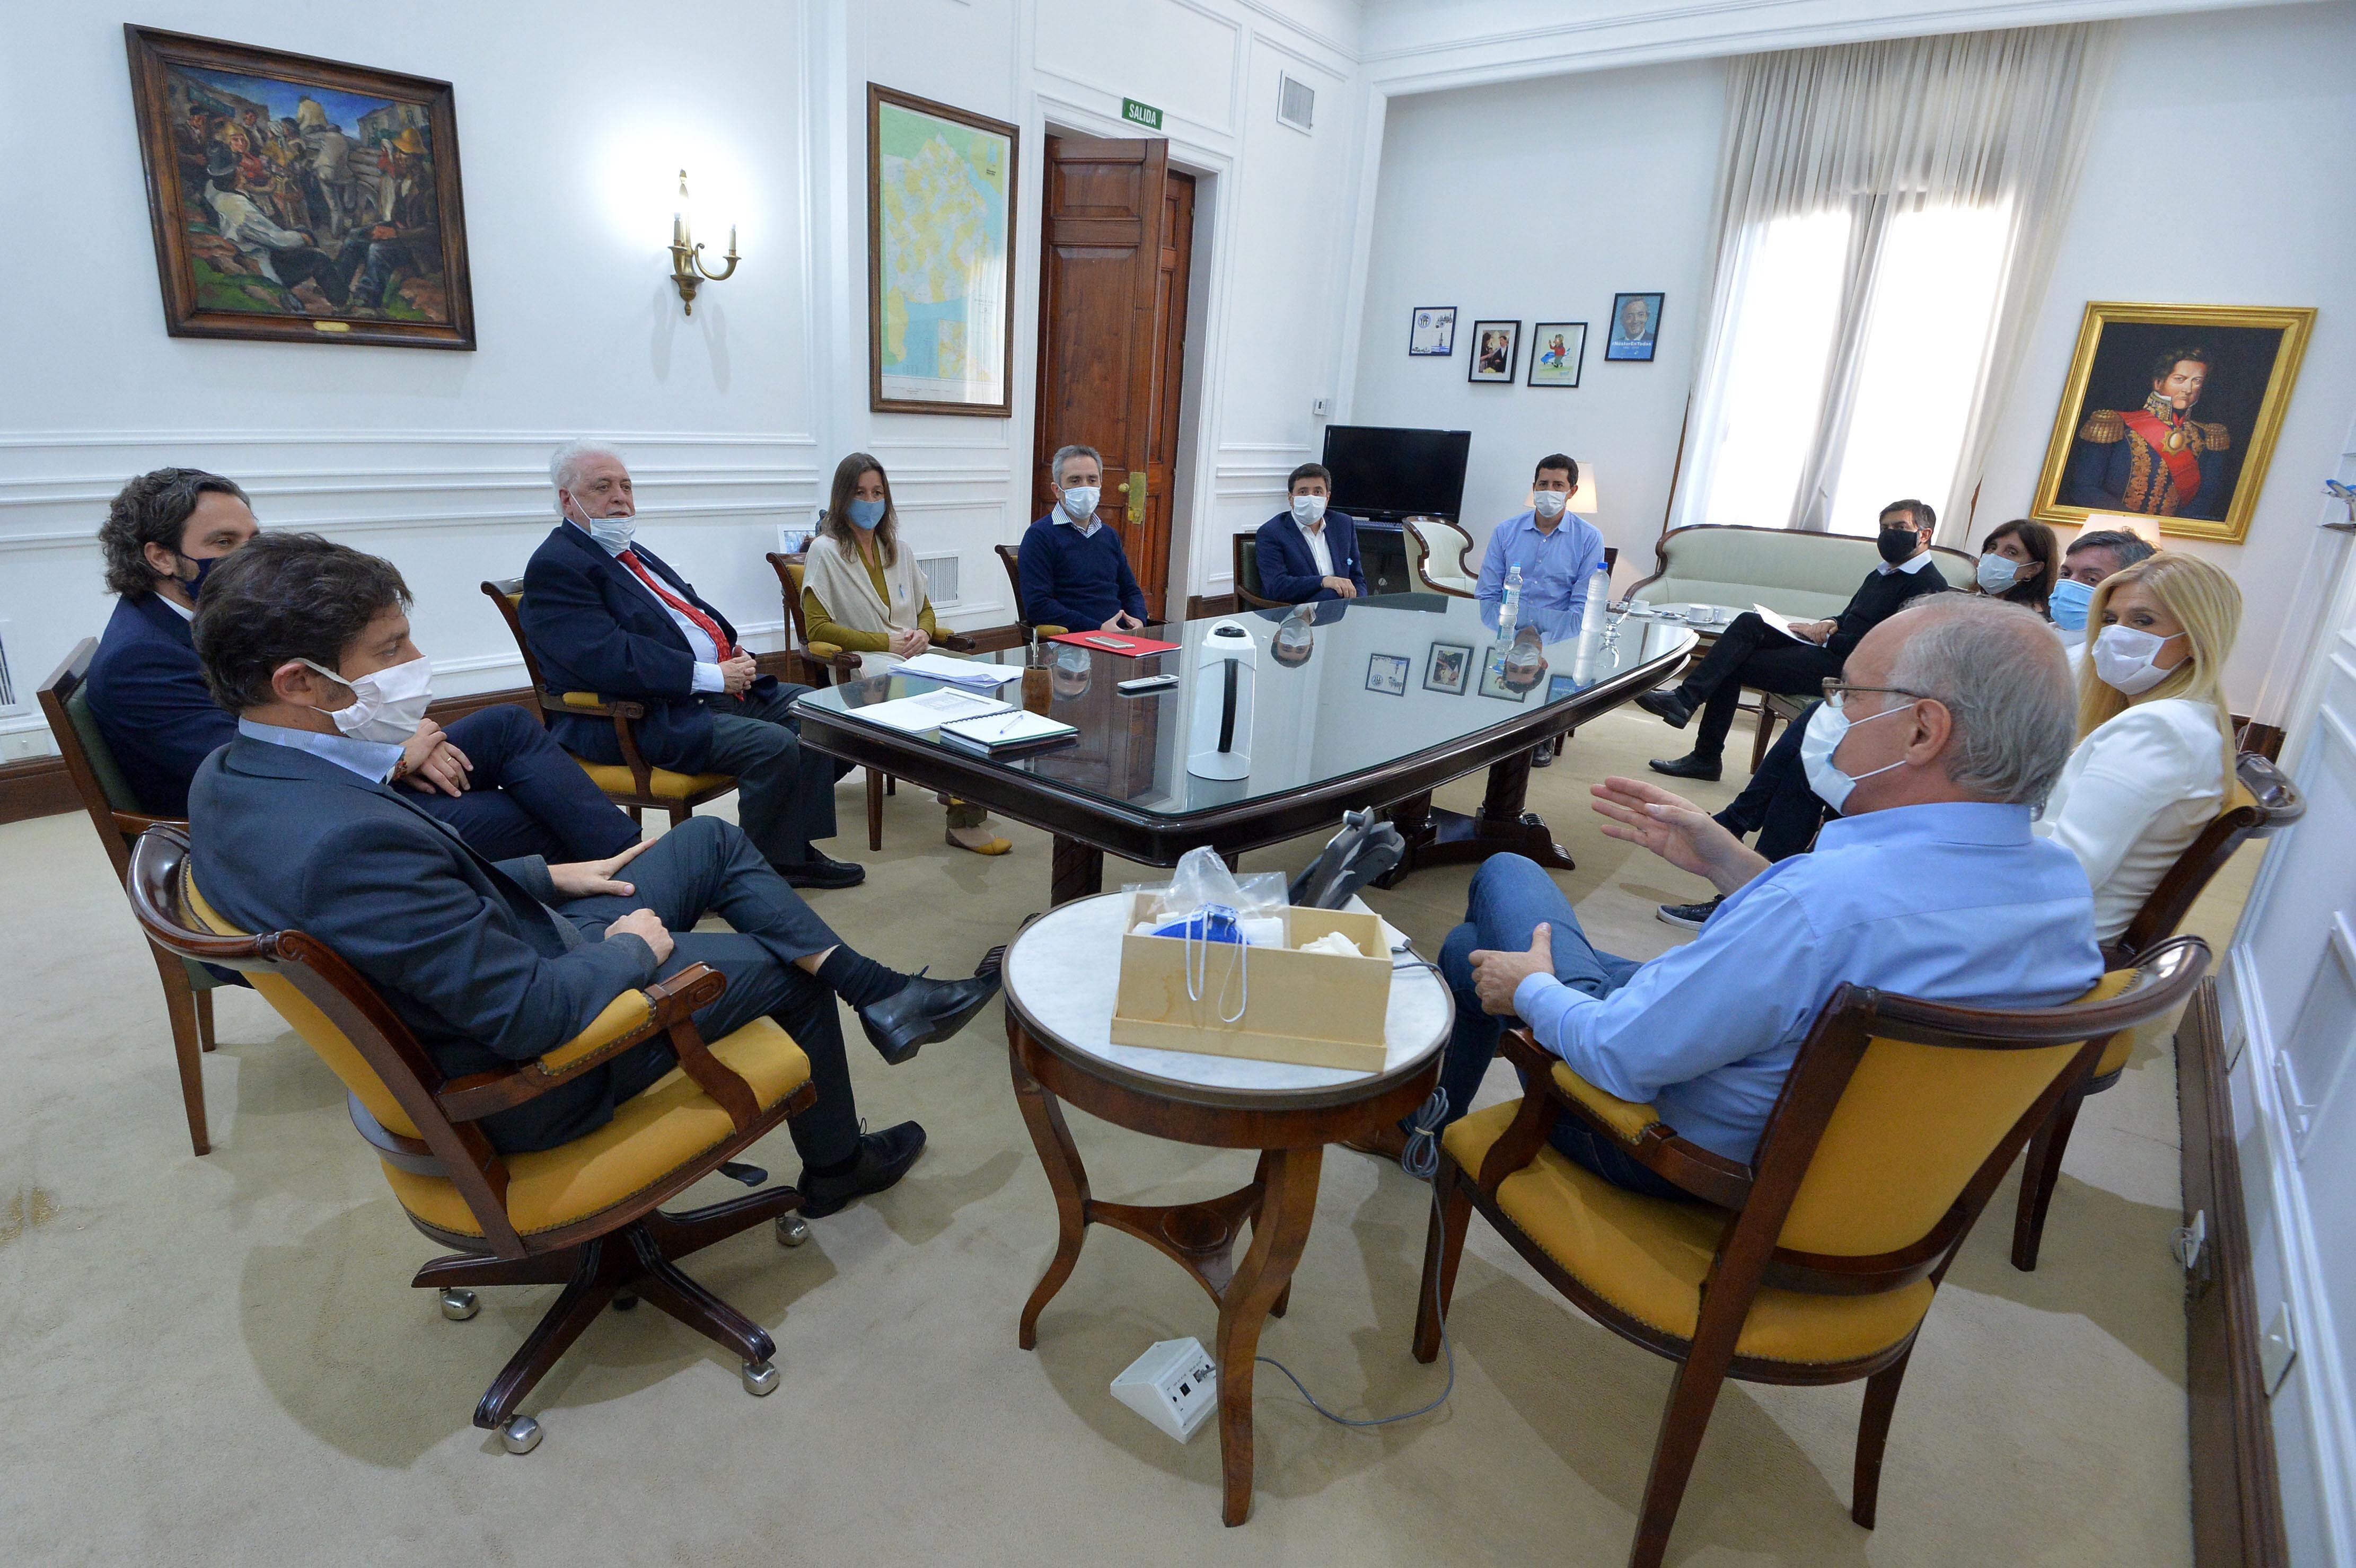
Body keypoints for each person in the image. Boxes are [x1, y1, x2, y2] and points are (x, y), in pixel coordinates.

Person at [184, 533, 1003, 1213]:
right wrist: (630, 951)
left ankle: (883, 993)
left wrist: (545, 878)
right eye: (391, 648)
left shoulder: (229, 773)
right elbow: (529, 1015)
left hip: (512, 946)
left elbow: (404, 914)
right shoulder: (343, 841)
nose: (419, 661)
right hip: (532, 1071)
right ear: (297, 682)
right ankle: (838, 1167)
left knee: (709, 845)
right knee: (781, 972)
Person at [1395, 596, 2101, 1190]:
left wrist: (1532, 991)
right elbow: (1852, 940)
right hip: (1846, 1175)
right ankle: (1425, 1123)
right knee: (1471, 948)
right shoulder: (2061, 886)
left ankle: (1423, 1124)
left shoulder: (1822, 901)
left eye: (1849, 693)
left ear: (1922, 730)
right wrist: (1731, 864)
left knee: (1506, 880)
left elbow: (1623, 1057)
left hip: (1670, 1150)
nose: (1830, 712)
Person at [82, 468, 637, 864]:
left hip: (339, 777)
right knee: (533, 815)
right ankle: (631, 890)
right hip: (290, 826)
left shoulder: (202, 615)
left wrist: (410, 742)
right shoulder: (141, 658)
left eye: (254, 538)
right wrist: (395, 757)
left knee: (507, 725)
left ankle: (630, 859)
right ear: (160, 557)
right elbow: (256, 767)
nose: (250, 557)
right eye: (225, 542)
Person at [521, 441, 863, 889]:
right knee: (776, 744)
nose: (620, 497)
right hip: (641, 717)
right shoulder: (556, 566)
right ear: (568, 500)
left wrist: (731, 652)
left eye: (626, 485)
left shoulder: (630, 551)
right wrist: (710, 674)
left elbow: (690, 614)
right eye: (602, 487)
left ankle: (785, 848)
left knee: (825, 714)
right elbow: (610, 658)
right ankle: (759, 871)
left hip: (708, 693)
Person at [1636, 498, 1948, 781]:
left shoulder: (1928, 586)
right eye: (1885, 528)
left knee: (1732, 664)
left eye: (1900, 528)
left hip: (1852, 672)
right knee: (1749, 624)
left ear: (1924, 534)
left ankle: (1703, 750)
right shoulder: (1882, 573)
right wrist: (1827, 623)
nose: (1889, 534)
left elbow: (1886, 651)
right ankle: (1685, 703)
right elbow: (1848, 618)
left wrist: (1826, 640)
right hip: (1833, 650)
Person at [802, 453, 1010, 856]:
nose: (870, 501)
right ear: (843, 497)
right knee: (937, 700)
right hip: (864, 664)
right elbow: (817, 630)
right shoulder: (825, 551)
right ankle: (963, 818)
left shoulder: (898, 548)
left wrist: (923, 632)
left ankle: (964, 790)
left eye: (878, 492)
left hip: (914, 652)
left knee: (983, 683)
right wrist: (885, 643)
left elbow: (926, 609)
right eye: (861, 493)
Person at [2038, 552, 2241, 945]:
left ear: (2198, 639)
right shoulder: (2186, 718)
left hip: (2046, 943)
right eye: (2111, 620)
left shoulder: (2158, 729)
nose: (2116, 634)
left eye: (2144, 621)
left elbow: (2064, 873)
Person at [2064, 347, 2231, 522]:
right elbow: (2085, 488)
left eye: (2197, 381)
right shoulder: (2113, 423)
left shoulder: (2208, 436)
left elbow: (2206, 496)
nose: (2188, 389)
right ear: (2159, 382)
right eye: (2180, 379)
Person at [200, 147, 353, 310]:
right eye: (238, 168)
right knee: (318, 257)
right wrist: (302, 238)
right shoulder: (239, 209)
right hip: (260, 262)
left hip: (249, 247)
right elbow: (277, 239)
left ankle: (328, 282)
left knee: (302, 230)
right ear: (232, 175)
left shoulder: (213, 188)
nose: (242, 169)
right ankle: (343, 303)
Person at [1017, 445, 1148, 632]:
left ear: (1100, 484)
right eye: (1075, 481)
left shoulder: (1109, 535)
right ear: (1057, 489)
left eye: (1092, 480)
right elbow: (1039, 607)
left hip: (1123, 636)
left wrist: (1138, 619)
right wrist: (1098, 629)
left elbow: (1130, 590)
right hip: (1073, 642)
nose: (1085, 486)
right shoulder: (1039, 537)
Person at [1254, 463, 1366, 605]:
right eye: (1303, 492)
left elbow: (1357, 578)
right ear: (1291, 498)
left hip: (1343, 611)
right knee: (1332, 594)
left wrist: (1359, 606)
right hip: (1292, 611)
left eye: (1318, 492)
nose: (1311, 498)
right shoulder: (1271, 532)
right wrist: (1324, 581)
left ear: (1328, 498)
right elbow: (1277, 587)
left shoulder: (1343, 524)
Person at [2050, 527, 2157, 636]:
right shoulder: (2037, 634)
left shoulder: (2118, 648)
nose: (2071, 583)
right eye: (2065, 574)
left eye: (2091, 579)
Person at [1973, 517, 2058, 620]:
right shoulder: (1977, 603)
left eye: (2011, 552)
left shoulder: (2032, 622)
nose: (1994, 555)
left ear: (2034, 569)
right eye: (1992, 547)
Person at [1605, 295, 1658, 359]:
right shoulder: (1615, 346)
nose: (1635, 321)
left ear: (1647, 317)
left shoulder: (1654, 341)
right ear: (1622, 321)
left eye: (1641, 315)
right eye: (1630, 316)